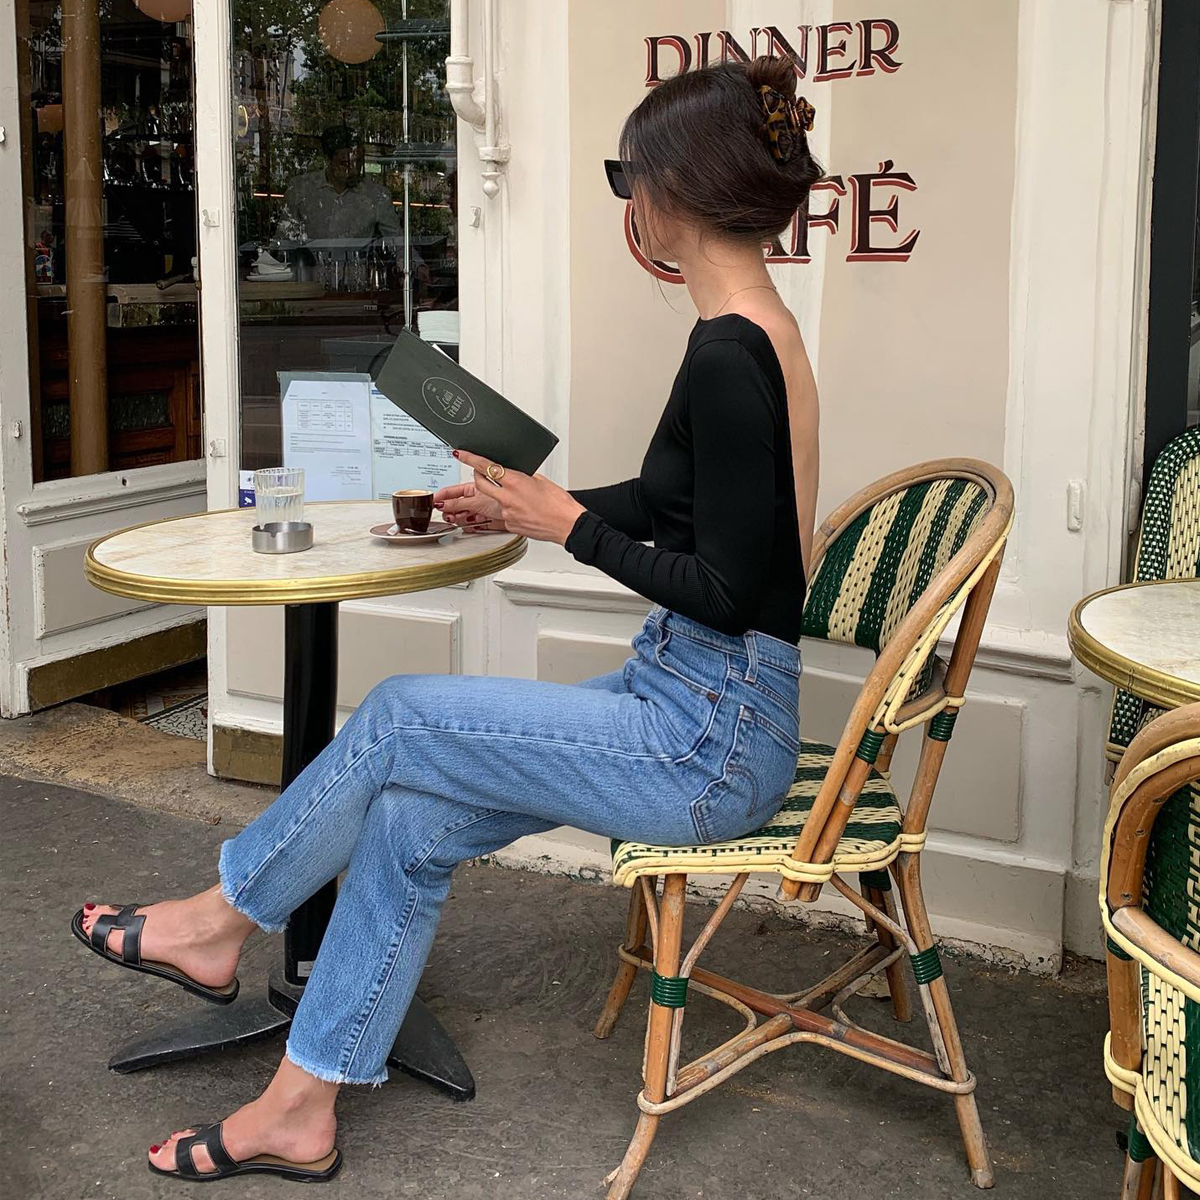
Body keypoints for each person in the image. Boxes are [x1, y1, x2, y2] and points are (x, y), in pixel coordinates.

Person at [73, 54, 822, 1182]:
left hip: (707, 737)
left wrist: (569, 525)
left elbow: (731, 587)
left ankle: (218, 920)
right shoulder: (759, 328)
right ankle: (300, 1107)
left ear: (675, 188)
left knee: (401, 712)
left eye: (628, 177)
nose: (628, 203)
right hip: (701, 699)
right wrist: (528, 506)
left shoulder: (728, 350)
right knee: (407, 819)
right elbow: (696, 511)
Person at [279, 126, 402, 242]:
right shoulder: (301, 188)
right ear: (328, 160)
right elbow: (283, 240)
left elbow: (398, 242)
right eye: (345, 164)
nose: (354, 170)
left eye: (358, 162)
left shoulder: (377, 196)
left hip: (357, 258)